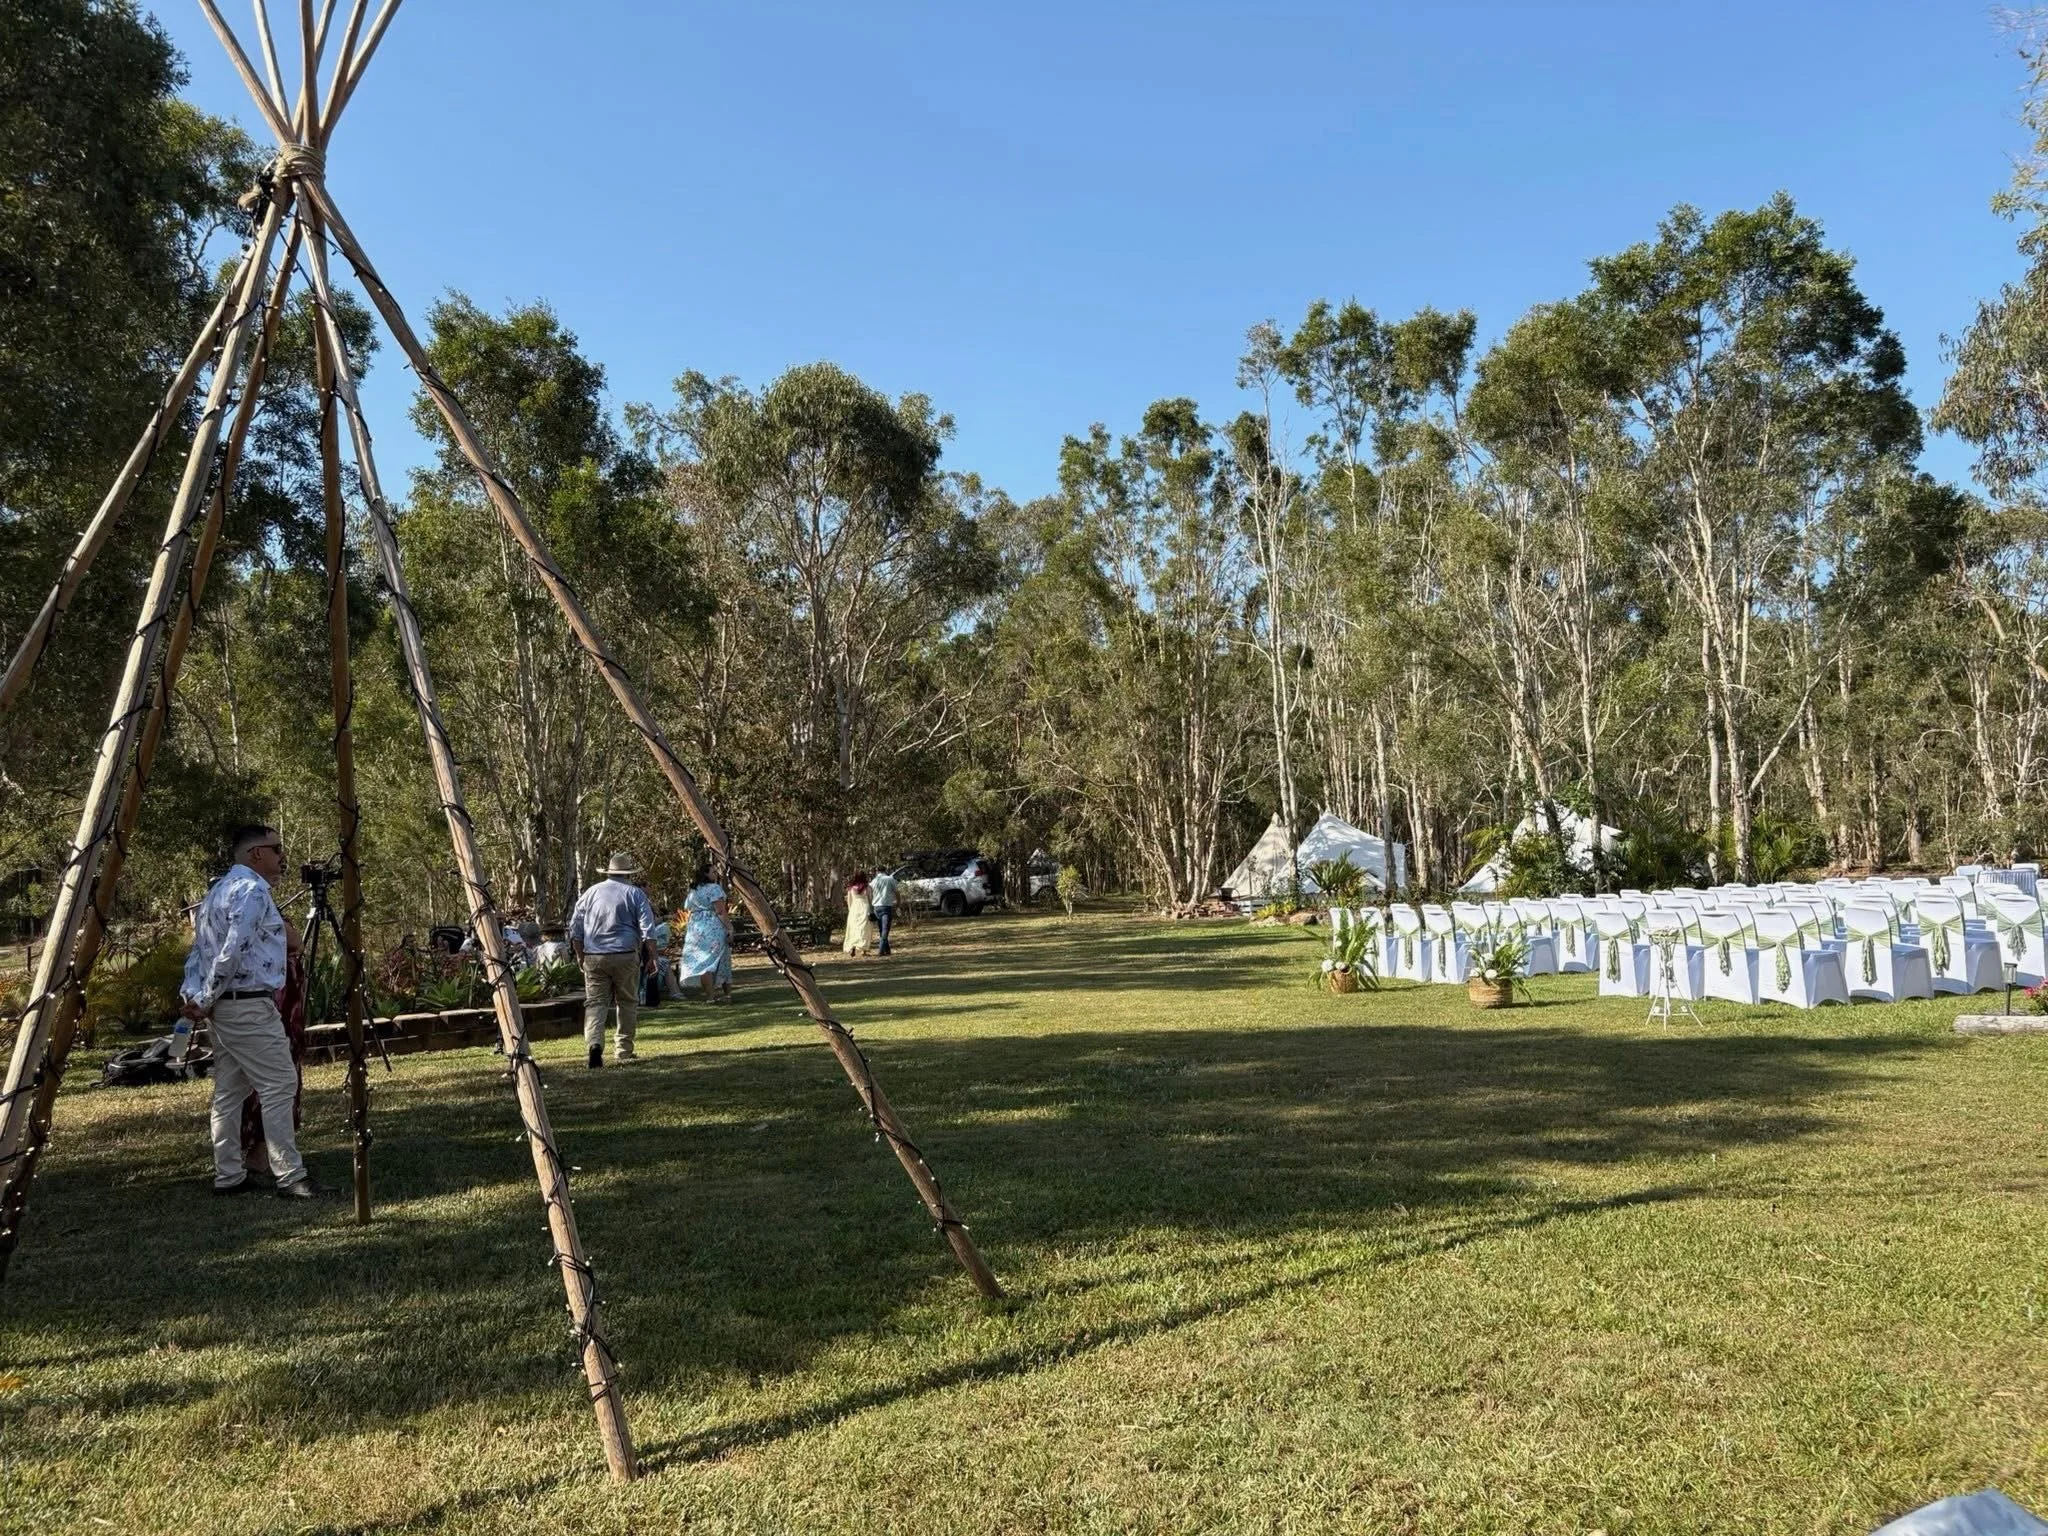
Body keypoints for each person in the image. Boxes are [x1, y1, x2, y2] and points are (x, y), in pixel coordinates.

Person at [178, 824, 320, 1199]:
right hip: (247, 1004)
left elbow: (199, 951)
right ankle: (289, 1174)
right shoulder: (252, 891)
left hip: (225, 1008)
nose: (281, 856)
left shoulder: (216, 893)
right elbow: (231, 950)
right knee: (279, 1084)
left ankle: (228, 1174)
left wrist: (195, 995)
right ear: (256, 853)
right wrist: (204, 997)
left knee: (231, 1089)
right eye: (276, 849)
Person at [569, 852, 659, 1068]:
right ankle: (624, 1050)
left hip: (595, 956)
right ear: (628, 873)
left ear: (609, 872)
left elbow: (576, 928)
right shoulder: (636, 894)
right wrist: (652, 956)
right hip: (625, 955)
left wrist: (580, 955)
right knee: (627, 1001)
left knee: (595, 1003)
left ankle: (594, 1044)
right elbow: (648, 929)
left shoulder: (591, 893)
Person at [678, 860, 734, 1002]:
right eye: (713, 871)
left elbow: (688, 907)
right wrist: (729, 928)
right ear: (705, 874)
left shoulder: (694, 890)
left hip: (696, 929)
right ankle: (727, 994)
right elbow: (720, 911)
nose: (716, 874)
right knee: (722, 959)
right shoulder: (714, 888)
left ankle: (710, 997)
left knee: (704, 962)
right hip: (712, 926)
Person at [642, 887, 672, 1006]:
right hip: (640, 946)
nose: (650, 889)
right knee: (654, 965)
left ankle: (652, 999)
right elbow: (647, 927)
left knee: (656, 965)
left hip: (643, 946)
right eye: (647, 886)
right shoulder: (640, 901)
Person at [868, 865, 900, 957]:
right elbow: (897, 892)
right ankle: (881, 950)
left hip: (876, 907)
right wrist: (898, 903)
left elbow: (870, 894)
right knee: (885, 929)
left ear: (877, 871)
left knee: (882, 929)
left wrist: (870, 907)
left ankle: (887, 950)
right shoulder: (890, 879)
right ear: (885, 870)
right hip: (886, 906)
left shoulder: (873, 881)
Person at [843, 873, 876, 957]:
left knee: (853, 928)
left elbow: (849, 901)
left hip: (854, 909)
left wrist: (851, 910)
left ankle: (853, 946)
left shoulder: (851, 889)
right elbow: (871, 899)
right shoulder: (868, 887)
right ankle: (863, 950)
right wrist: (872, 910)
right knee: (864, 928)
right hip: (865, 908)